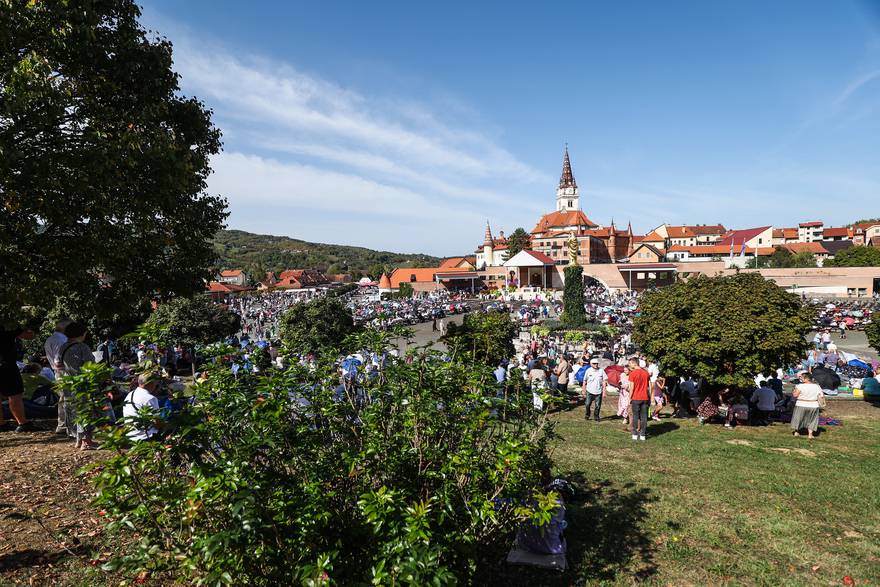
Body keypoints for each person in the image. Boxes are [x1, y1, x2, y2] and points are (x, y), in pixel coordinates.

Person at [58, 322, 99, 450]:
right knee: (85, 410)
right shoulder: (82, 347)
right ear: (82, 333)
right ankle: (86, 441)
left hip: (68, 383)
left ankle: (78, 440)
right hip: (82, 383)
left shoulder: (63, 347)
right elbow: (89, 366)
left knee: (73, 411)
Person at [0, 327, 38, 432]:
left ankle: (1, 424)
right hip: (6, 365)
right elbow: (30, 335)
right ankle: (22, 422)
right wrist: (26, 325)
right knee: (14, 394)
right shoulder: (7, 325)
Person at [44, 318, 72, 434]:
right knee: (67, 399)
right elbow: (58, 360)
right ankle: (65, 425)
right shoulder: (61, 340)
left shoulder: (50, 339)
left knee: (64, 399)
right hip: (64, 372)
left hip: (59, 372)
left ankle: (63, 425)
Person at [122, 372, 164, 441]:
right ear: (151, 383)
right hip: (145, 436)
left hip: (130, 435)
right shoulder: (150, 398)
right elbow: (157, 423)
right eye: (156, 383)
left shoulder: (130, 394)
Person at [791, 372, 822, 439]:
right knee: (812, 420)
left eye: (801, 377)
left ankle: (797, 432)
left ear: (806, 378)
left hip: (801, 404)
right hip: (813, 405)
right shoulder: (817, 386)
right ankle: (810, 434)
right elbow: (821, 396)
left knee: (798, 418)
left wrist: (793, 391)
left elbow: (795, 395)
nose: (800, 378)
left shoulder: (800, 386)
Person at [627, 358, 650, 441]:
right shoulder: (646, 373)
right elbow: (648, 386)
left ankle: (635, 434)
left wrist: (629, 398)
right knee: (644, 417)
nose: (629, 365)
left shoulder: (632, 374)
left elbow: (631, 388)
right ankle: (643, 434)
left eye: (630, 363)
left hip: (636, 397)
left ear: (634, 363)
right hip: (645, 397)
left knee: (635, 416)